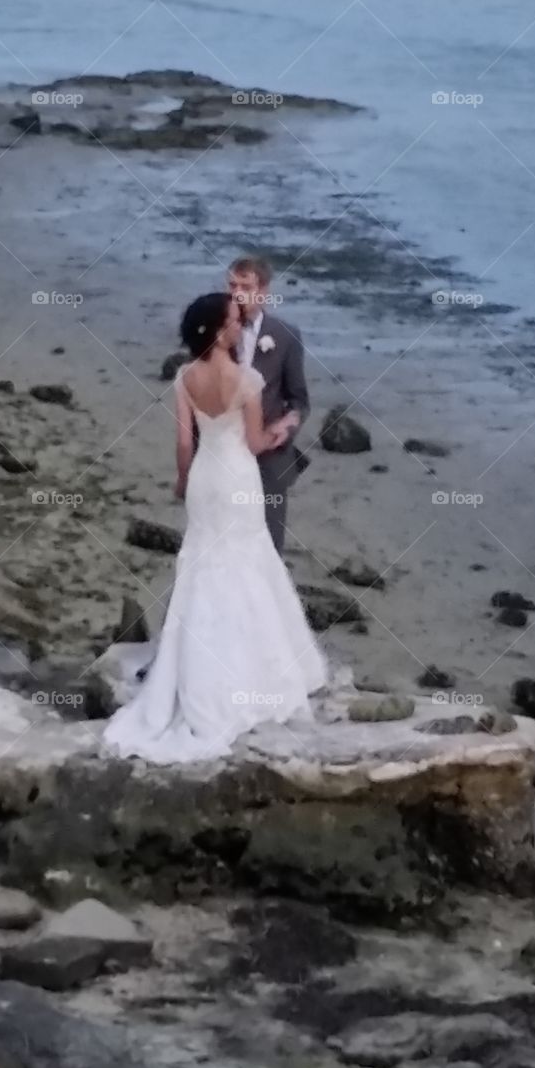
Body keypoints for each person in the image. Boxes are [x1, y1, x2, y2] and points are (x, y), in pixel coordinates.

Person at [103, 292, 327, 764]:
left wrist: (184, 481)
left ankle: (192, 670)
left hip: (206, 478)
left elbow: (185, 444)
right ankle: (254, 676)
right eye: (231, 319)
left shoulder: (185, 378)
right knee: (248, 562)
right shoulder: (248, 378)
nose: (238, 323)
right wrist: (283, 429)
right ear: (217, 330)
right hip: (239, 479)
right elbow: (254, 441)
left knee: (203, 564)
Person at [226, 255, 310, 555]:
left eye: (245, 286)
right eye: (232, 285)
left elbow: (299, 399)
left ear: (263, 291)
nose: (237, 293)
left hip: (270, 459)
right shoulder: (217, 334)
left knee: (269, 548)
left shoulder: (286, 337)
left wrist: (287, 429)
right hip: (223, 453)